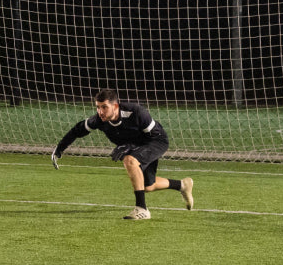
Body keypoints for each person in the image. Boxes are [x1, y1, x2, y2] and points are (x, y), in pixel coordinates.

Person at [51, 88, 193, 220]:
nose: (100, 111)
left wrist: (130, 146)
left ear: (116, 106)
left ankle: (141, 209)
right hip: (138, 146)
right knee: (147, 186)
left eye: (104, 107)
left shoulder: (136, 112)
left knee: (129, 160)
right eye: (98, 107)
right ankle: (182, 185)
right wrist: (59, 149)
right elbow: (78, 130)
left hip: (156, 141)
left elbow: (153, 135)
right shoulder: (99, 120)